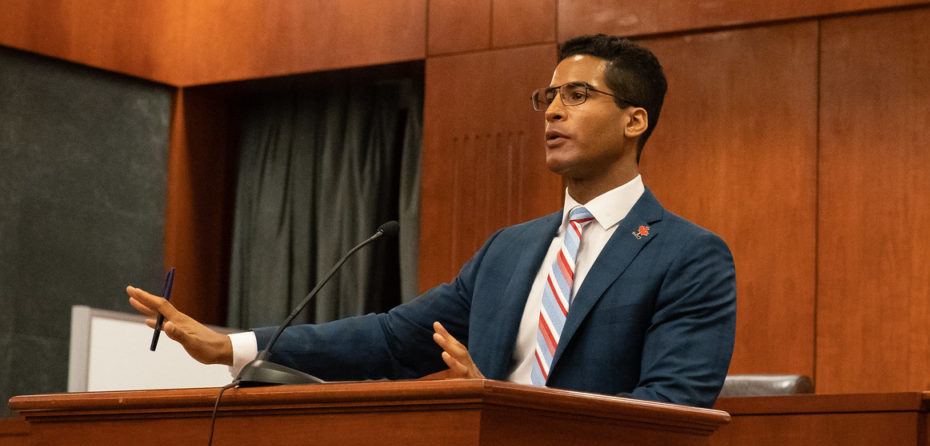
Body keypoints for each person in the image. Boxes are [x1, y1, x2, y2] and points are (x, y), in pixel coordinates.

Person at [128, 34, 736, 408]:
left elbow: (671, 408)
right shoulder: (511, 250)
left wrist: (502, 404)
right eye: (546, 98)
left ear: (635, 121)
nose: (552, 111)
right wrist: (231, 344)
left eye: (577, 96)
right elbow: (393, 339)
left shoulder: (688, 255)